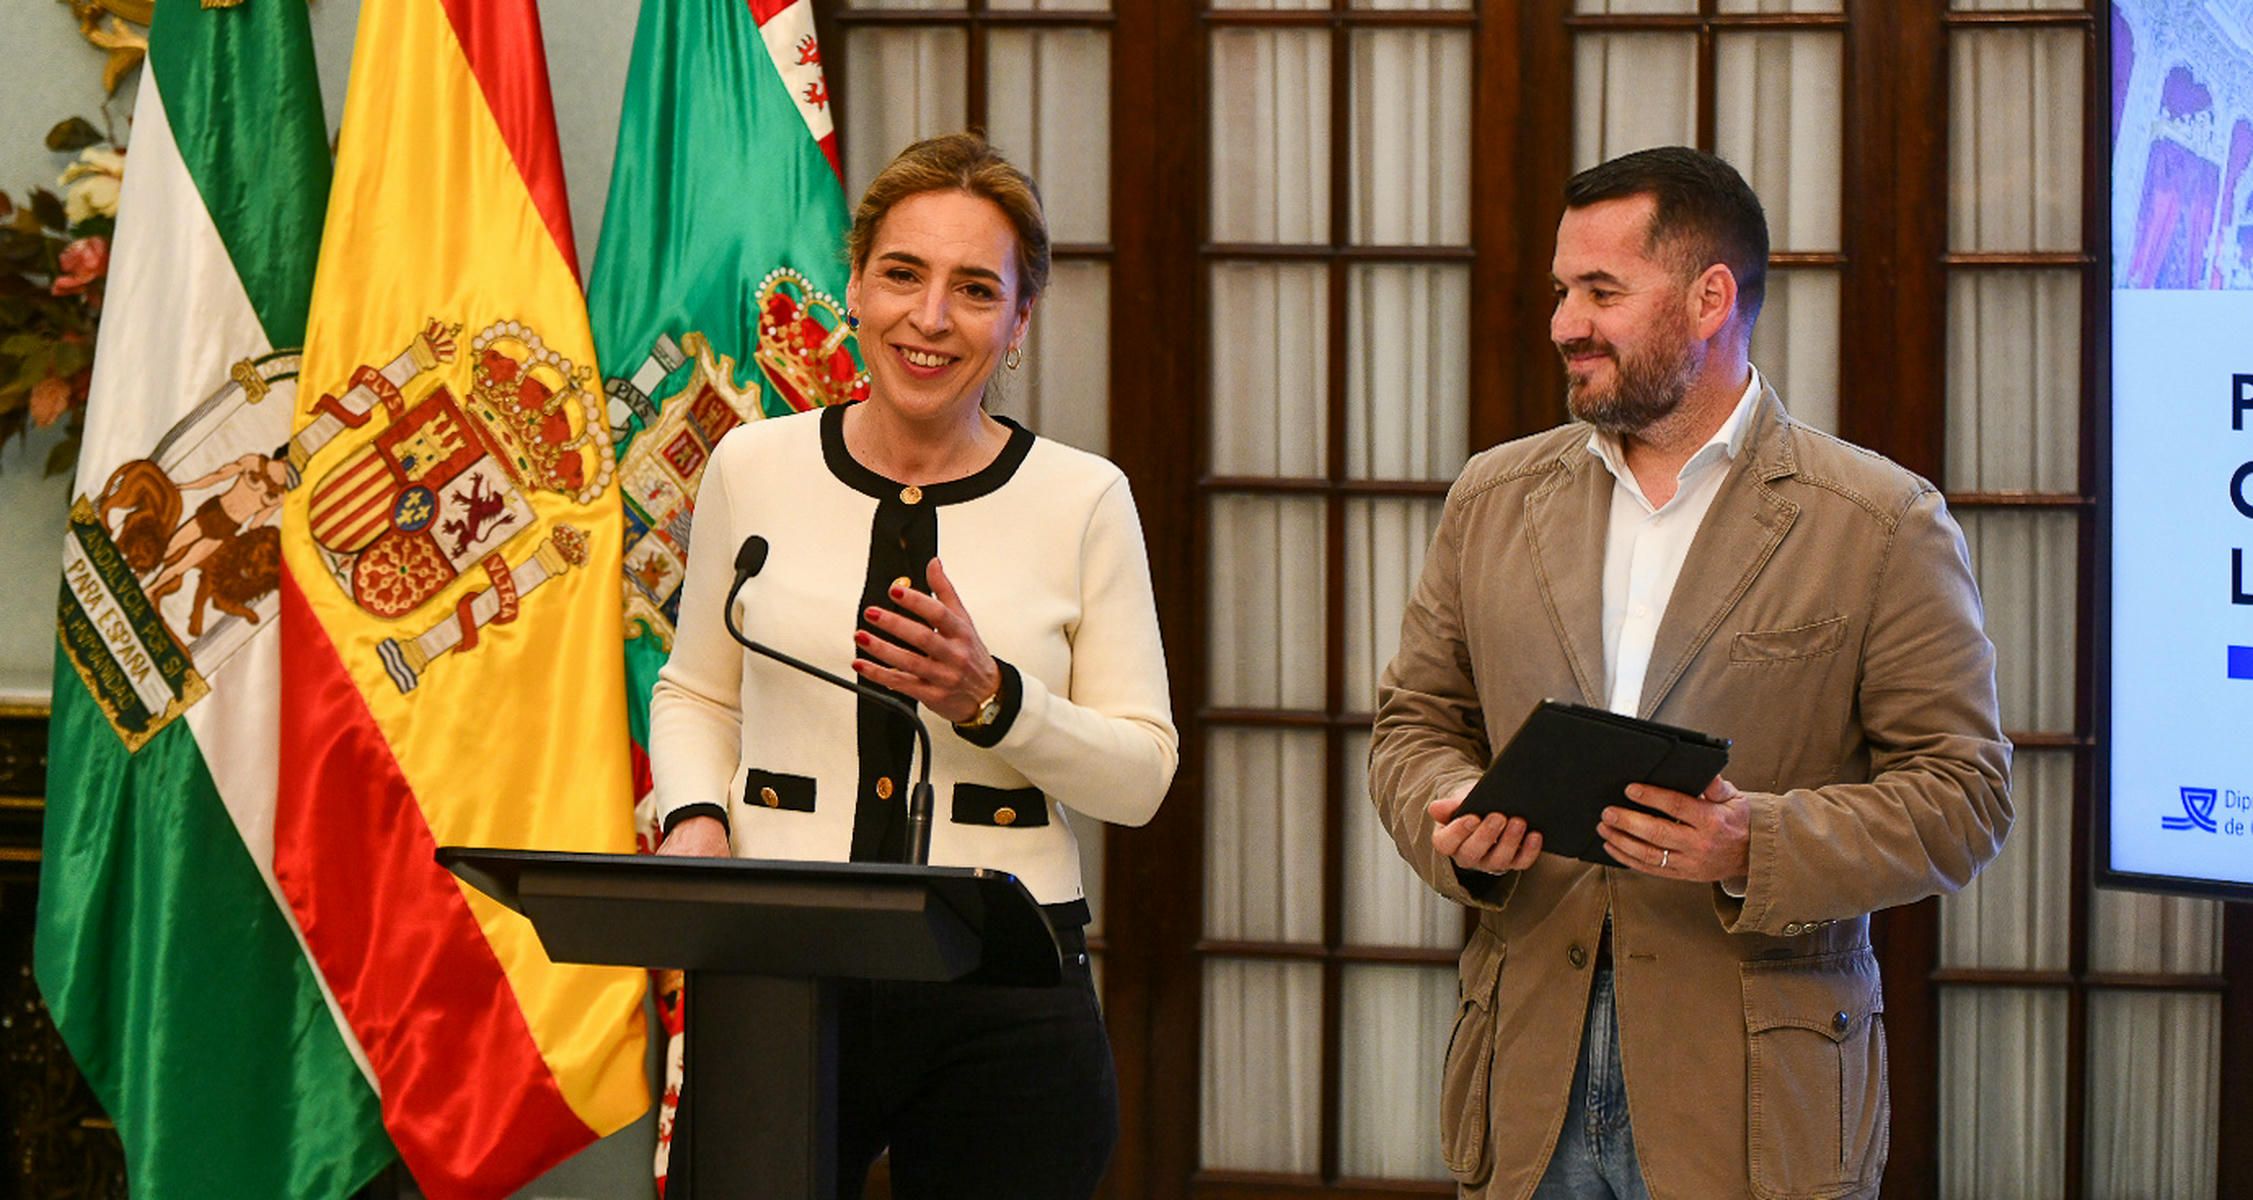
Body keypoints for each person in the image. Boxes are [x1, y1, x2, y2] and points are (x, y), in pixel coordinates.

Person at [1367, 147, 2013, 1200]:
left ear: (1712, 297)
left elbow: (1965, 796)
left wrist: (1752, 841)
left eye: (1601, 292)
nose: (1563, 323)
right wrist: (1448, 814)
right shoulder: (1491, 498)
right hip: (1524, 1085)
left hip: (1760, 1110)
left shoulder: (1881, 522)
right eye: (1561, 291)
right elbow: (1415, 723)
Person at [648, 131, 1177, 1198]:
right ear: (853, 286)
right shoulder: (752, 466)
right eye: (902, 274)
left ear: (1019, 322)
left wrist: (995, 701)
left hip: (1008, 985)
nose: (930, 319)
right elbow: (695, 689)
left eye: (976, 289)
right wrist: (698, 821)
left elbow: (1141, 775)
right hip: (778, 964)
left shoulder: (1084, 500)